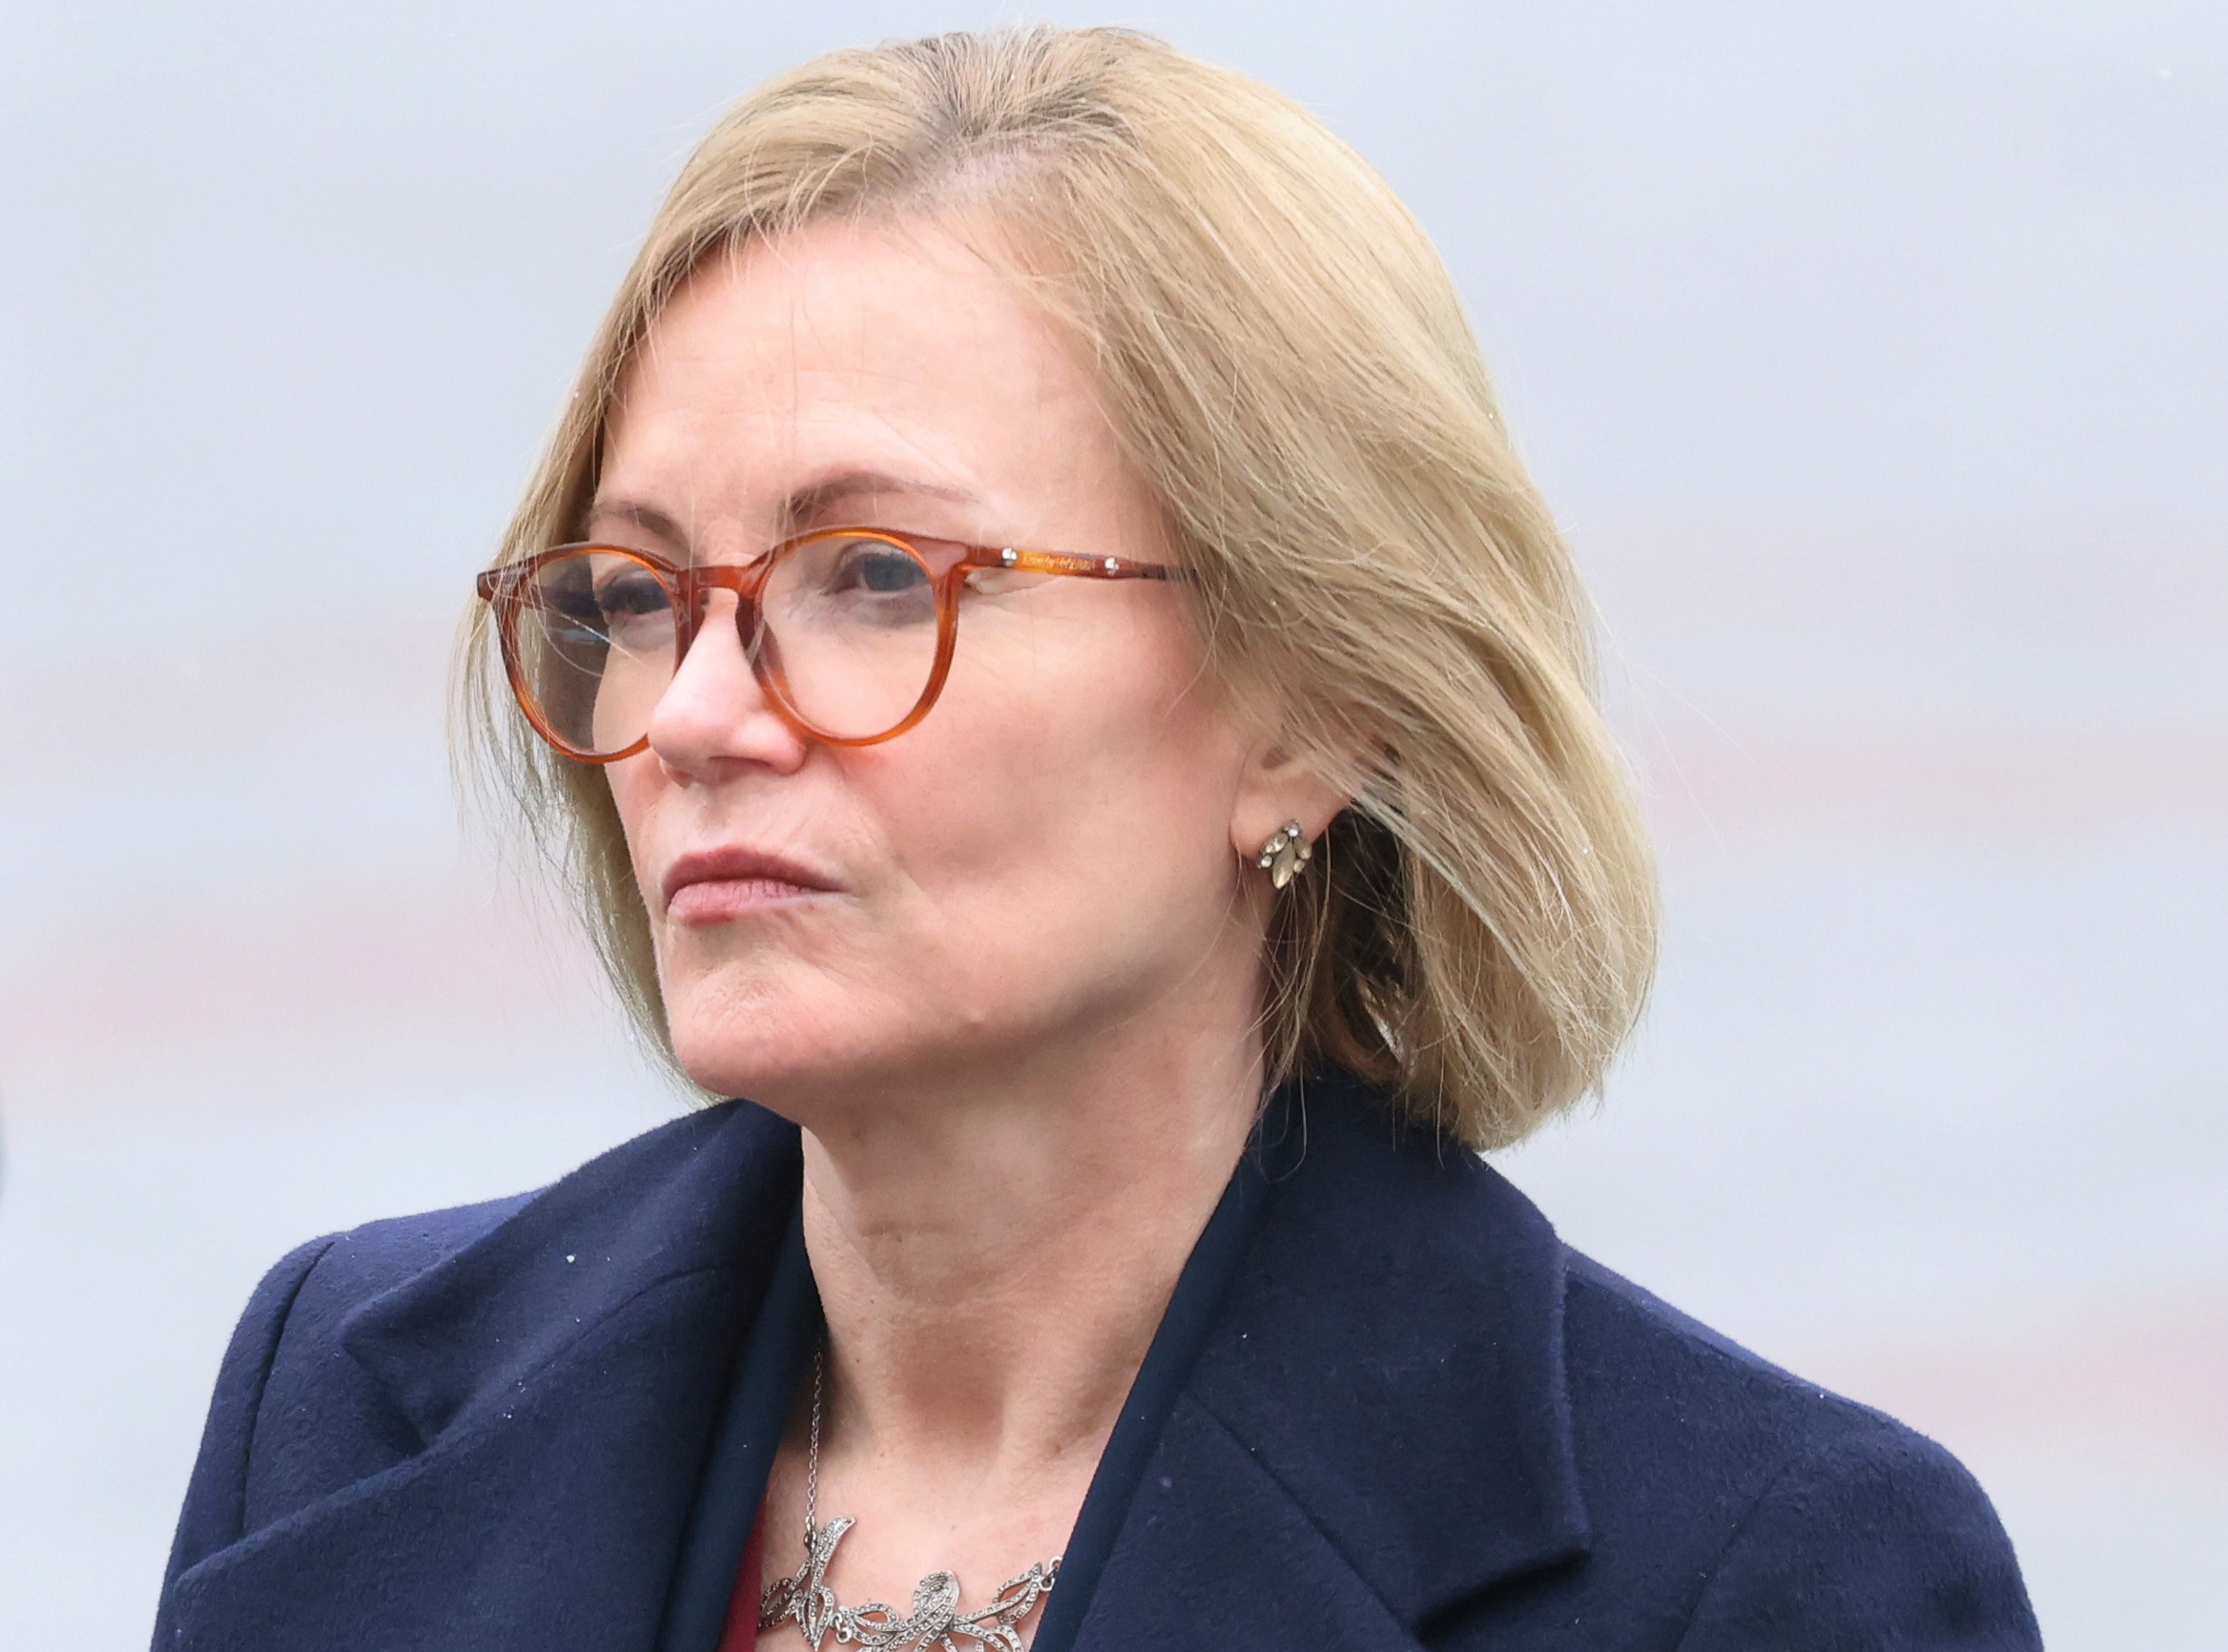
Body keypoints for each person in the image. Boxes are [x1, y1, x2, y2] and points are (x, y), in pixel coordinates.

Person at [153, 26, 2040, 1652]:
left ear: (1309, 709)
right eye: (640, 589)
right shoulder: (344, 1391)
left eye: (877, 575)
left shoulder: (1757, 1572)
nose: (702, 714)